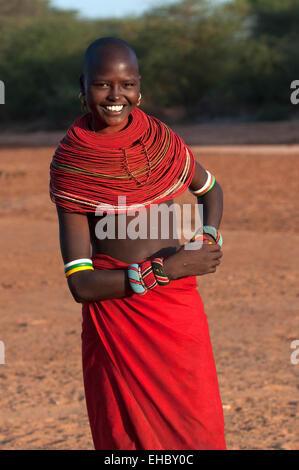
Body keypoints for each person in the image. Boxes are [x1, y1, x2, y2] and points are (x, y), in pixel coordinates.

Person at [50, 37, 226, 450]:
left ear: (139, 87)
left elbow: (211, 189)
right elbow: (82, 285)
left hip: (178, 311)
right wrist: (169, 269)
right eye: (102, 84)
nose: (116, 96)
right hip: (115, 315)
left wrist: (208, 237)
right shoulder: (72, 164)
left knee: (197, 422)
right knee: (123, 433)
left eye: (126, 84)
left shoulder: (161, 143)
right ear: (83, 86)